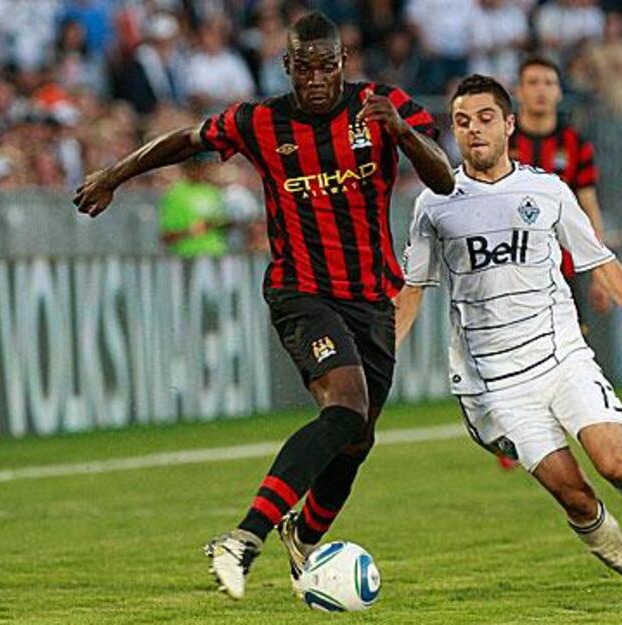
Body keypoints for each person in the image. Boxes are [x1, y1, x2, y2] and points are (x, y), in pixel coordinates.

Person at [73, 10, 454, 600]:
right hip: (300, 291)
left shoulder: (383, 103)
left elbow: (444, 180)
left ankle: (302, 537)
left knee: (356, 437)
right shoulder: (260, 121)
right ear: (289, 68)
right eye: (305, 69)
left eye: (327, 67)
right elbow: (187, 139)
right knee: (347, 407)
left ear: (343, 64)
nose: (317, 79)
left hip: (373, 297)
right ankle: (244, 537)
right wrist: (115, 174)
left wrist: (403, 134)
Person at [395, 74, 622, 596]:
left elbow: (596, 258)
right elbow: (413, 287)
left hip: (561, 355)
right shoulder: (435, 204)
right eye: (462, 122)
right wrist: (384, 354)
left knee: (614, 461)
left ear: (509, 124)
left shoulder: (546, 189)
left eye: (486, 118)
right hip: (495, 384)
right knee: (576, 496)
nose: (474, 131)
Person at [510, 56, 611, 316]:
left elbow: (589, 208)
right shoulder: (501, 142)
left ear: (558, 92)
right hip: (508, 271)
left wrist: (600, 276)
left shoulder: (576, 144)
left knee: (570, 354)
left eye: (549, 83)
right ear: (519, 91)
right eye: (533, 83)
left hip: (562, 272)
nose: (541, 89)